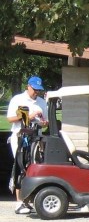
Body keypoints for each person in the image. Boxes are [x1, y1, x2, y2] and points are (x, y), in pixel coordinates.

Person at [7, 76, 48, 214]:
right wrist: (28, 116)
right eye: (35, 89)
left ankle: (28, 200)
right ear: (28, 86)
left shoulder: (42, 102)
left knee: (34, 166)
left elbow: (45, 121)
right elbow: (10, 119)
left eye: (39, 90)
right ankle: (19, 203)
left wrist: (43, 122)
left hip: (35, 137)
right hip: (20, 136)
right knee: (20, 166)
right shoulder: (18, 100)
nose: (36, 92)